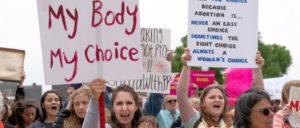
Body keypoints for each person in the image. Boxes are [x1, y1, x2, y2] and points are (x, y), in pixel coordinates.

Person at [177, 48, 232, 128]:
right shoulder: (195, 120)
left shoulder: (231, 124)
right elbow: (181, 96)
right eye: (212, 97)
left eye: (220, 98)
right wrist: (186, 66)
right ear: (203, 103)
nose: (217, 99)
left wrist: (257, 69)